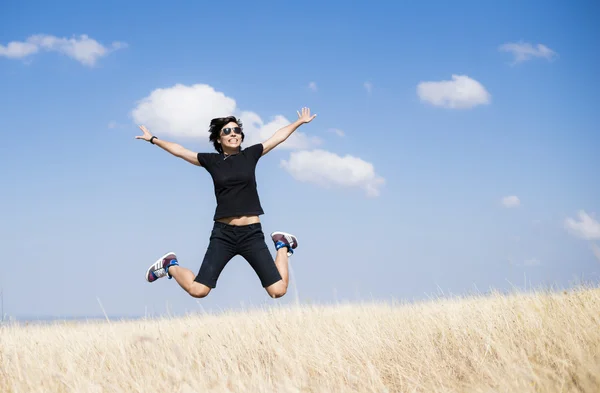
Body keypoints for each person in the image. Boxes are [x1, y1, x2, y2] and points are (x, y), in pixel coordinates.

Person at [135, 107, 317, 299]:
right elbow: (180, 151)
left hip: (251, 234)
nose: (233, 134)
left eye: (237, 130)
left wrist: (298, 123)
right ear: (219, 138)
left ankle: (282, 245)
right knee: (198, 291)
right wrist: (153, 139)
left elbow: (277, 138)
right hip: (224, 235)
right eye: (227, 131)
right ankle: (170, 266)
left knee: (278, 291)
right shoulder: (211, 161)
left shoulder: (250, 155)